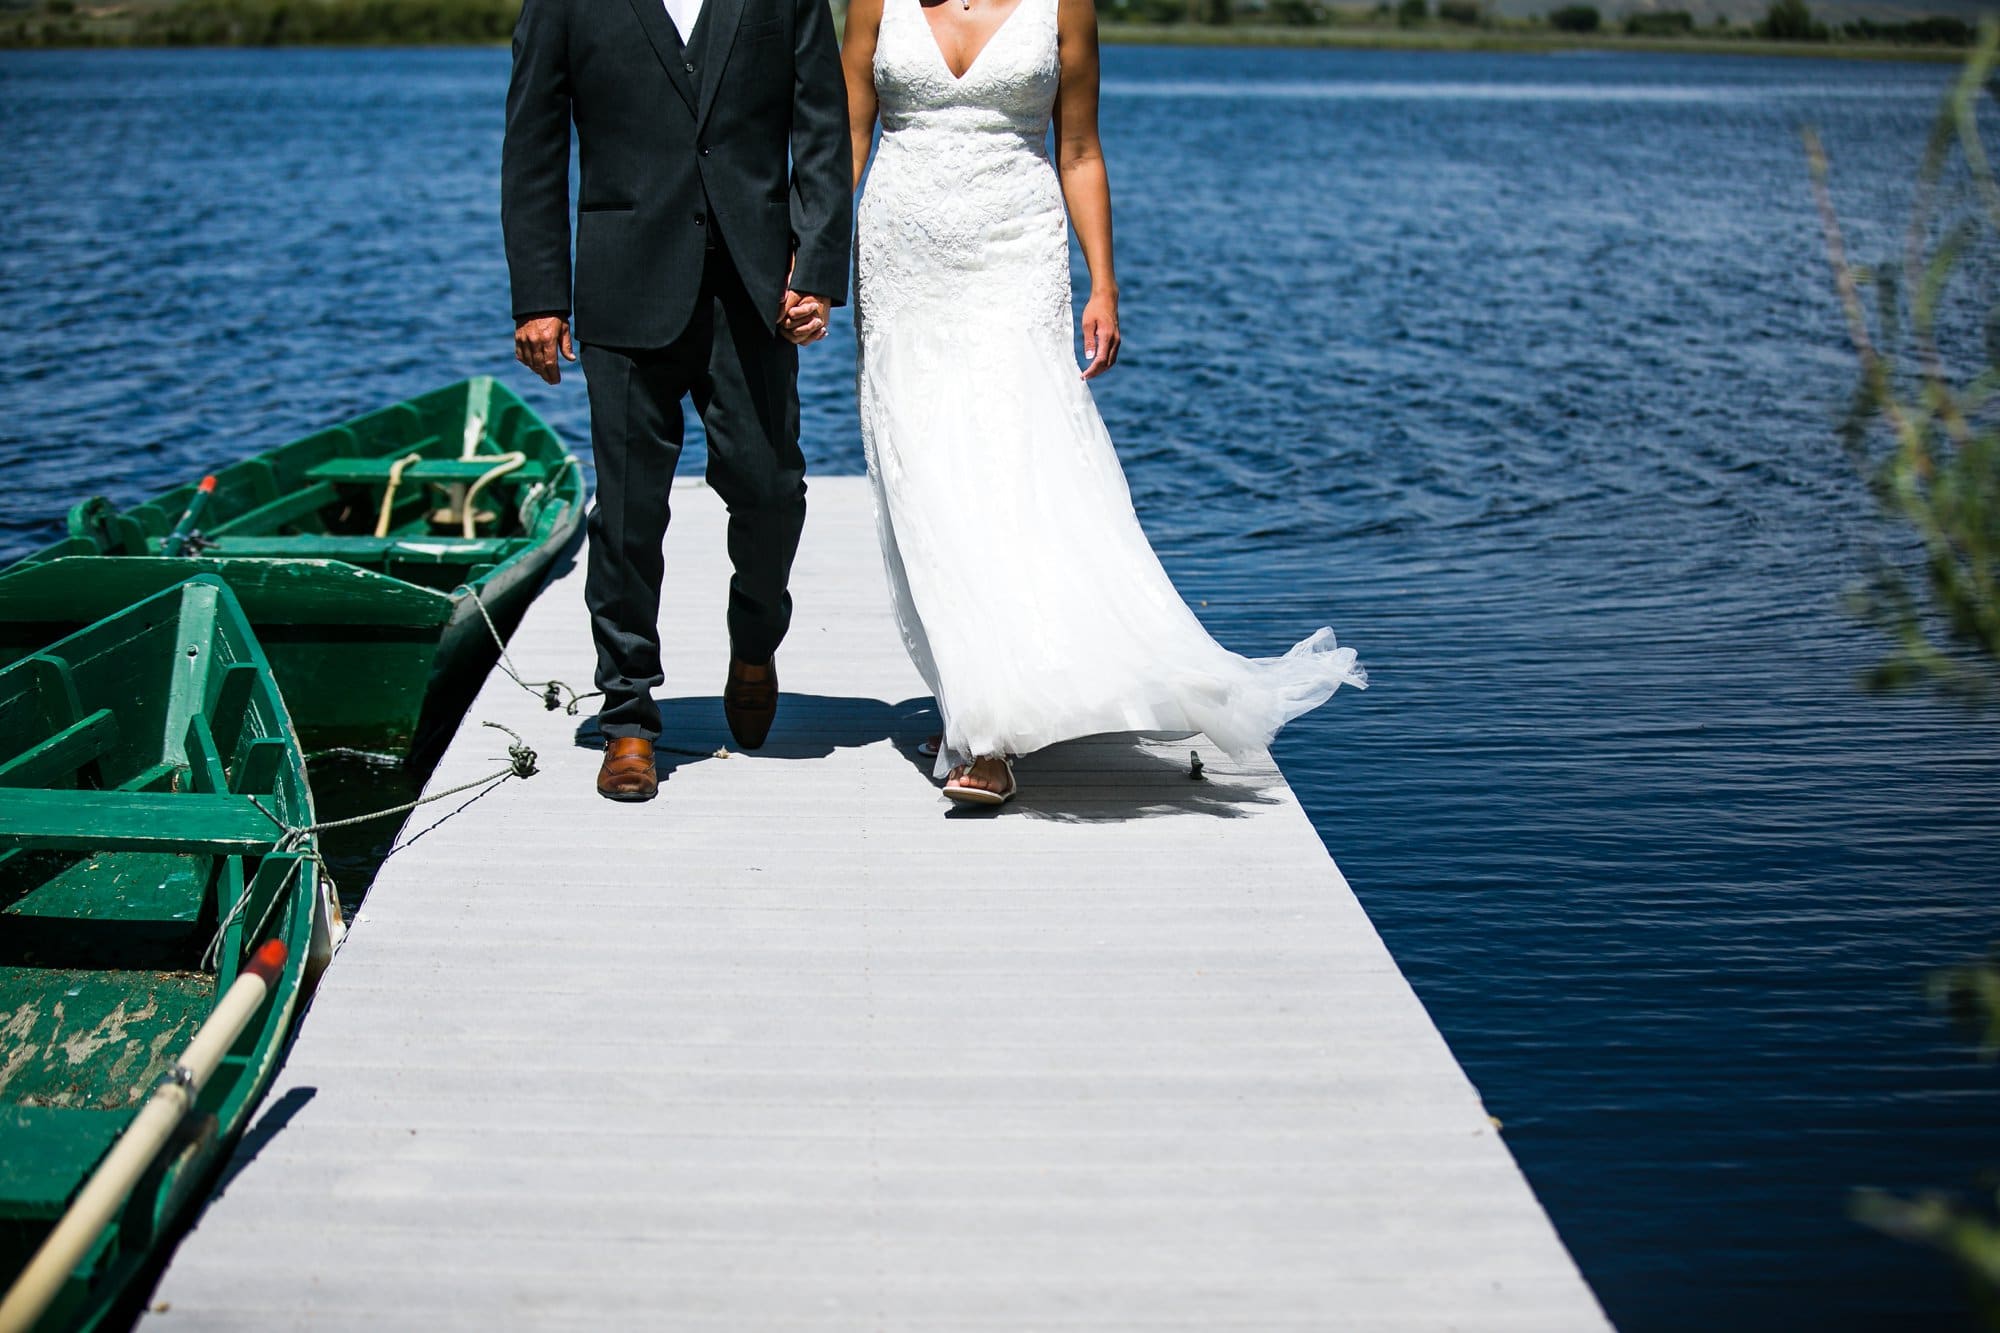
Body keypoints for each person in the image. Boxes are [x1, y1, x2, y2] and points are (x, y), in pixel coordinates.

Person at [840, 0, 1364, 807]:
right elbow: (847, 135)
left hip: (1015, 257)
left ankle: (990, 738)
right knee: (925, 478)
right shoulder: (876, 0)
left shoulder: (1064, 4)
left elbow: (1079, 149)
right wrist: (807, 260)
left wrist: (1104, 283)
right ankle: (974, 700)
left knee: (1015, 468)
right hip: (902, 263)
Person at [503, 0, 851, 802]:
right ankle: (628, 716)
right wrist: (539, 297)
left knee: (769, 490)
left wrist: (817, 272)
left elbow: (822, 128)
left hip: (756, 287)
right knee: (626, 511)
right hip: (624, 285)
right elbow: (533, 143)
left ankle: (755, 640)